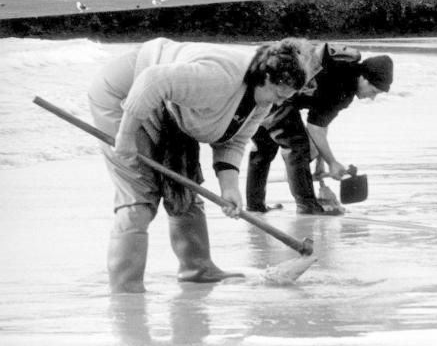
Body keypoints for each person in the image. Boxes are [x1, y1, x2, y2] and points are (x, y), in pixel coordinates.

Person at [88, 37, 318, 293]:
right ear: (264, 76)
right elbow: (152, 81)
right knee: (139, 199)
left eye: (285, 98)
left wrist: (229, 189)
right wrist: (126, 135)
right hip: (126, 95)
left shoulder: (261, 100)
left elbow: (234, 140)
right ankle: (126, 288)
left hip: (172, 109)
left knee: (184, 190)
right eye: (278, 93)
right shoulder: (218, 77)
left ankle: (197, 269)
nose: (277, 102)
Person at [245, 45, 393, 216]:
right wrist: (332, 162)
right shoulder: (343, 88)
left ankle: (254, 207)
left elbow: (321, 123)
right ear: (364, 78)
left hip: (257, 82)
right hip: (277, 92)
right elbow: (315, 127)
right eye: (374, 91)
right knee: (296, 146)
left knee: (264, 149)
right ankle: (307, 207)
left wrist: (321, 162)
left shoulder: (343, 70)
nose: (372, 97)